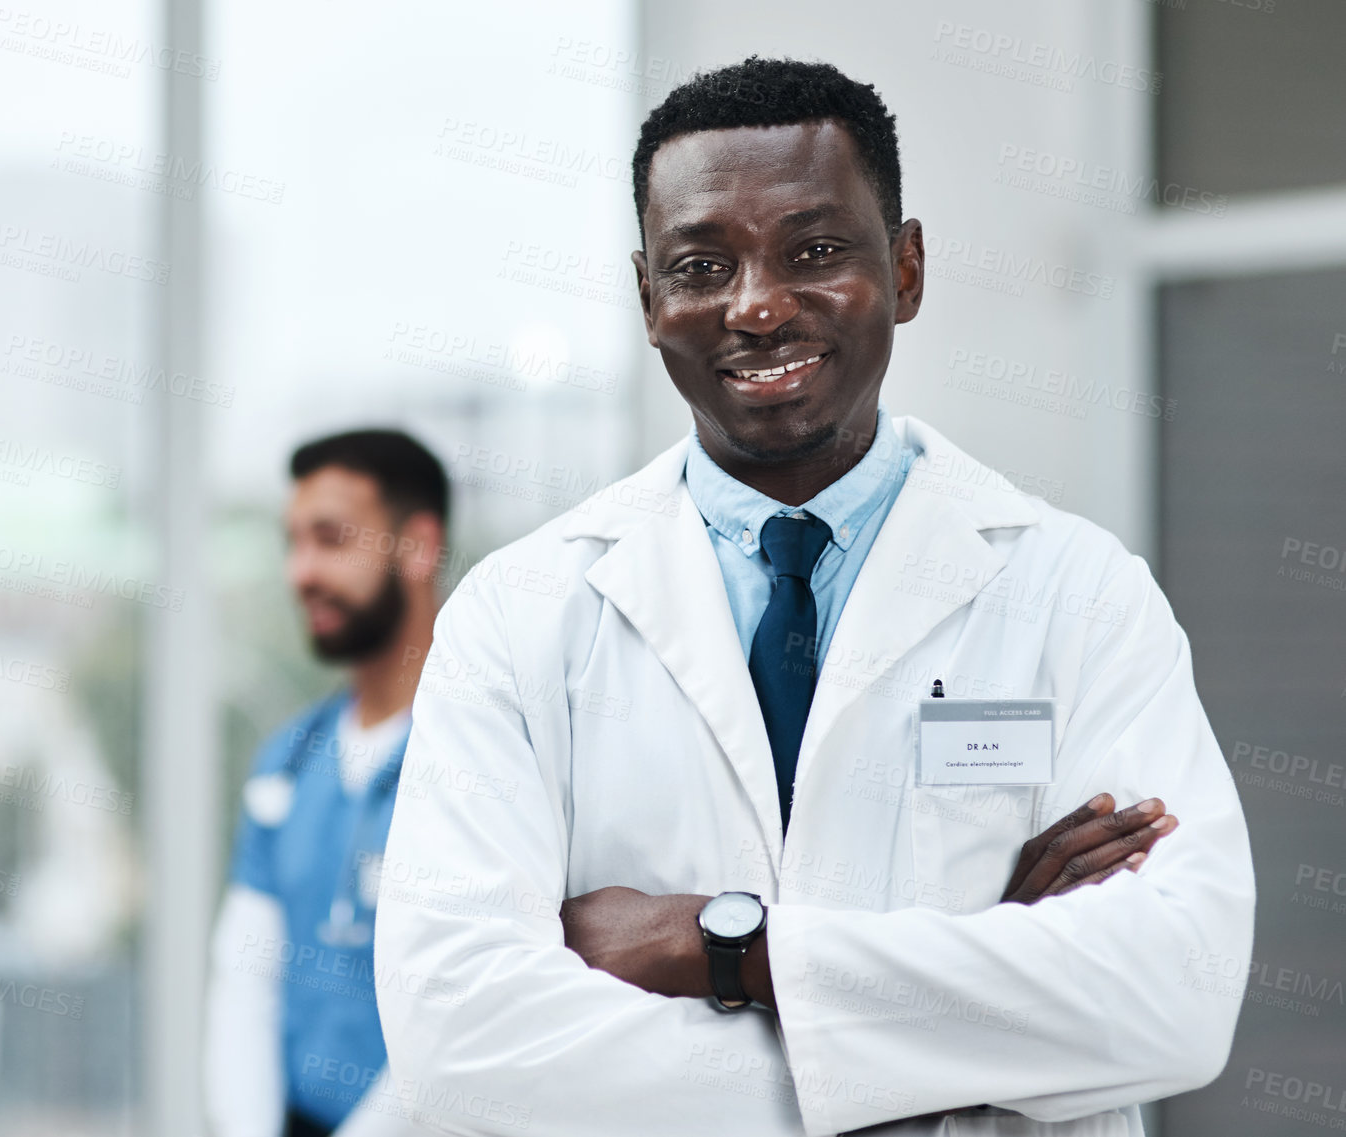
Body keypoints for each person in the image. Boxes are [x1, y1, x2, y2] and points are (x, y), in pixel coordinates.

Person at [374, 58, 1253, 1137]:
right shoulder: (517, 616)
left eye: (816, 251)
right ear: (649, 298)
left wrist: (715, 949)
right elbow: (462, 1051)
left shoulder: (1077, 595)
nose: (755, 306)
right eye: (700, 264)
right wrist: (966, 1034)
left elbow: (1171, 995)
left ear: (908, 267)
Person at [205, 430, 448, 1137]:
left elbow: (467, 1007)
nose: (301, 571)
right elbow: (245, 983)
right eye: (293, 542)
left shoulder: (484, 756)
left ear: (418, 545)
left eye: (331, 538)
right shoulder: (287, 761)